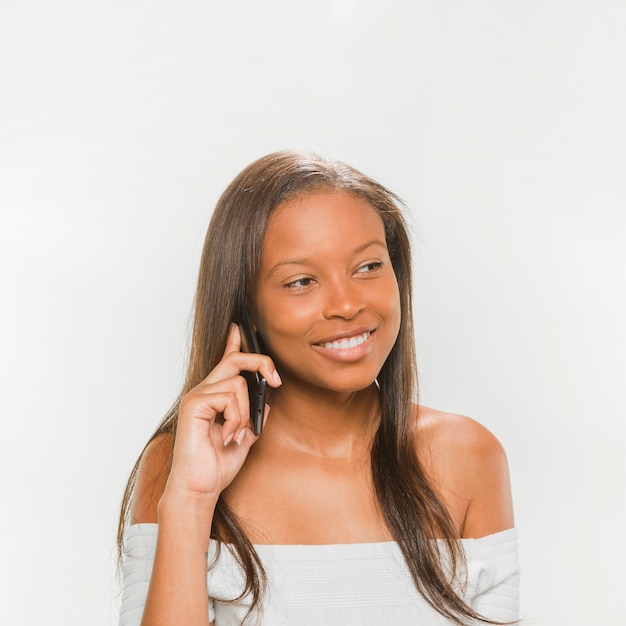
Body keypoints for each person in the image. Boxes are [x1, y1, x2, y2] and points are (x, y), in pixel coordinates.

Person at [117, 150, 519, 626]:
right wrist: (190, 500)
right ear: (246, 306)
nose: (347, 304)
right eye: (301, 281)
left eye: (368, 266)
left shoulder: (468, 456)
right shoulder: (178, 466)